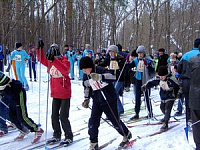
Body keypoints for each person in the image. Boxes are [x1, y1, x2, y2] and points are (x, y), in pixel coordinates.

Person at [79, 56, 132, 150]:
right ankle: (93, 142)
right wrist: (86, 99)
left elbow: (112, 76)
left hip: (109, 100)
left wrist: (100, 77)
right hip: (97, 101)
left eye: (85, 68)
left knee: (115, 120)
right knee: (93, 122)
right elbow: (87, 87)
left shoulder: (99, 69)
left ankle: (126, 134)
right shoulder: (85, 76)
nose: (84, 71)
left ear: (90, 67)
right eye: (82, 69)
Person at [36, 42, 73, 145]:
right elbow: (41, 59)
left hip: (65, 92)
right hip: (55, 92)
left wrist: (54, 60)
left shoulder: (64, 60)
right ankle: (57, 134)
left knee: (63, 116)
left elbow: (65, 70)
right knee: (54, 116)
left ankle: (69, 136)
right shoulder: (50, 61)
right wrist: (39, 48)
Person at [0, 71, 44, 143]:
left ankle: (37, 129)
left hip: (18, 92)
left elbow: (4, 81)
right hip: (10, 94)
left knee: (22, 116)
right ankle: (23, 129)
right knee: (12, 116)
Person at [142, 66, 180, 130]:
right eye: (160, 76)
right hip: (163, 97)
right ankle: (166, 117)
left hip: (171, 96)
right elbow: (151, 82)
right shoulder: (159, 79)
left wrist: (179, 92)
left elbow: (178, 85)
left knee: (168, 108)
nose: (161, 77)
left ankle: (166, 123)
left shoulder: (171, 79)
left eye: (163, 76)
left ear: (166, 74)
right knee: (162, 108)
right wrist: (145, 86)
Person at [177, 38, 200, 126]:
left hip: (186, 82)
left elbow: (179, 69)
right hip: (197, 82)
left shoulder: (186, 55)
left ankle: (189, 121)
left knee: (188, 103)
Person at [129, 45, 155, 120]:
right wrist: (127, 64)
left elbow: (152, 69)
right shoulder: (136, 60)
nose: (140, 55)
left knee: (147, 96)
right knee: (137, 97)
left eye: (141, 53)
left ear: (144, 53)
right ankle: (136, 113)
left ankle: (150, 112)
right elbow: (131, 65)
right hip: (138, 79)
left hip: (146, 80)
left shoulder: (148, 59)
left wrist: (148, 65)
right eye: (138, 53)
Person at [99, 45, 125, 115]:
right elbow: (103, 64)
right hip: (111, 78)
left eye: (112, 52)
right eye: (110, 52)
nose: (111, 54)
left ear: (116, 52)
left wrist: (121, 62)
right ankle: (119, 109)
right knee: (113, 93)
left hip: (119, 79)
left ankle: (118, 110)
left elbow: (124, 67)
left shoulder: (120, 59)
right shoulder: (108, 59)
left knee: (114, 93)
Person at [188, 49, 200, 150]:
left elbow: (186, 76)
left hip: (195, 96)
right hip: (195, 95)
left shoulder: (191, 60)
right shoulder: (192, 60)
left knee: (196, 124)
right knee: (196, 123)